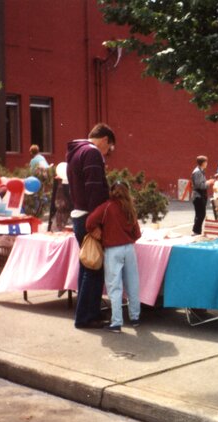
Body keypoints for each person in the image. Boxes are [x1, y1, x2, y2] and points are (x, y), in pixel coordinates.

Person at [67, 123, 115, 329]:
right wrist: (96, 223)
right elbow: (94, 190)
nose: (108, 153)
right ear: (104, 139)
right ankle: (87, 318)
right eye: (110, 148)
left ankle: (87, 314)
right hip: (89, 217)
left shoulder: (76, 152)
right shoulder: (92, 153)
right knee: (94, 268)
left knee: (88, 266)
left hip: (80, 215)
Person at [86, 181, 142, 333]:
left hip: (112, 249)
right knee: (133, 284)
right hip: (129, 248)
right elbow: (137, 233)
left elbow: (89, 222)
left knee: (114, 287)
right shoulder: (130, 208)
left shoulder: (107, 207)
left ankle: (116, 322)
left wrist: (98, 232)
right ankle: (135, 317)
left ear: (112, 191)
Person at [191, 155, 214, 235]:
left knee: (200, 214)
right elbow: (200, 185)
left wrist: (207, 182)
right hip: (198, 195)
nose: (207, 163)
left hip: (201, 195)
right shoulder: (197, 172)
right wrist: (209, 182)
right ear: (203, 163)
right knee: (200, 214)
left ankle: (197, 231)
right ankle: (196, 231)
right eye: (206, 162)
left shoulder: (200, 171)